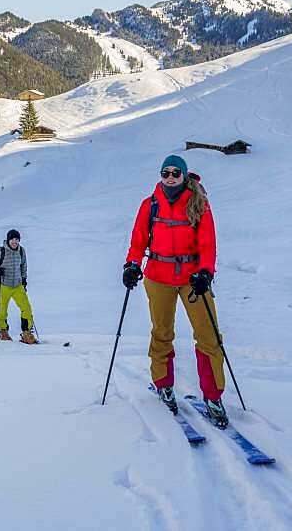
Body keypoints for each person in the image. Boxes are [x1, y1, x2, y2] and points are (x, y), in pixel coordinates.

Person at [122, 155, 228, 427]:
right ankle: (163, 383)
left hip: (193, 279)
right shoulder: (150, 205)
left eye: (175, 173)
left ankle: (213, 395)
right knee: (162, 333)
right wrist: (132, 265)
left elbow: (208, 244)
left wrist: (206, 271)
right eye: (165, 172)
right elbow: (137, 242)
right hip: (158, 276)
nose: (170, 177)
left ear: (184, 175)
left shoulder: (199, 204)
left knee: (209, 336)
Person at [0, 229, 37, 344]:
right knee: (2, 310)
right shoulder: (1, 251)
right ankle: (3, 331)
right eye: (12, 239)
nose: (14, 241)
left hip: (17, 285)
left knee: (26, 308)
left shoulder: (21, 251)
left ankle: (26, 333)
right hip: (3, 285)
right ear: (8, 240)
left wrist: (24, 280)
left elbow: (23, 266)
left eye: (17, 239)